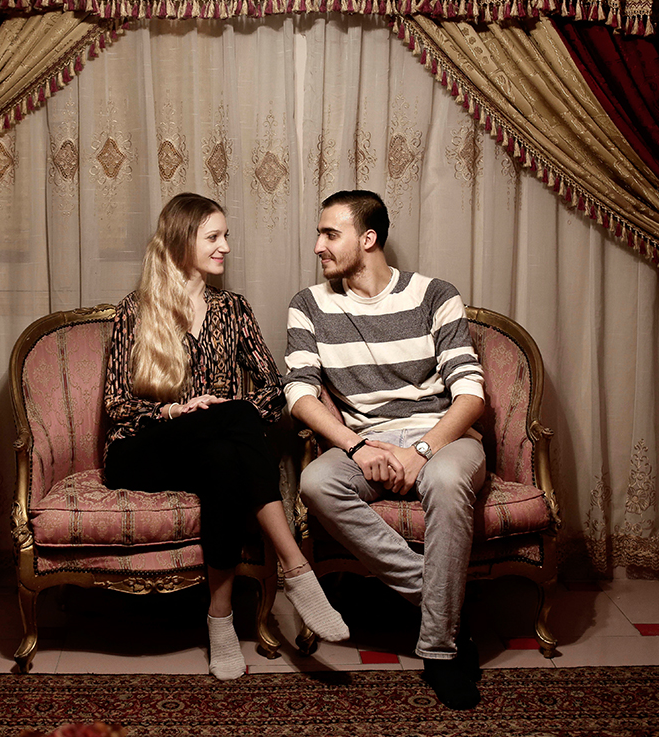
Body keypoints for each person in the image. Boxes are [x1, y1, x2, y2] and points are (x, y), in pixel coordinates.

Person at [103, 192, 349, 681]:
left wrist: (224, 412)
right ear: (181, 242)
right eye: (213, 237)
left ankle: (220, 621)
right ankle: (297, 569)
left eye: (226, 236)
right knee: (228, 420)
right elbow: (116, 405)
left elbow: (274, 389)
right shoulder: (135, 309)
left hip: (212, 451)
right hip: (141, 450)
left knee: (222, 454)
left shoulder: (233, 309)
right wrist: (177, 408)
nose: (225, 248)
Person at [284, 190, 487, 709]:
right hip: (365, 440)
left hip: (441, 437)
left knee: (444, 480)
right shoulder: (309, 305)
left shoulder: (434, 295)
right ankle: (444, 605)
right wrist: (355, 445)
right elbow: (300, 395)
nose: (318, 246)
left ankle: (439, 650)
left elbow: (470, 394)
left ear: (368, 239)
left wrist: (423, 447)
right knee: (315, 483)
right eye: (320, 233)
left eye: (330, 234)